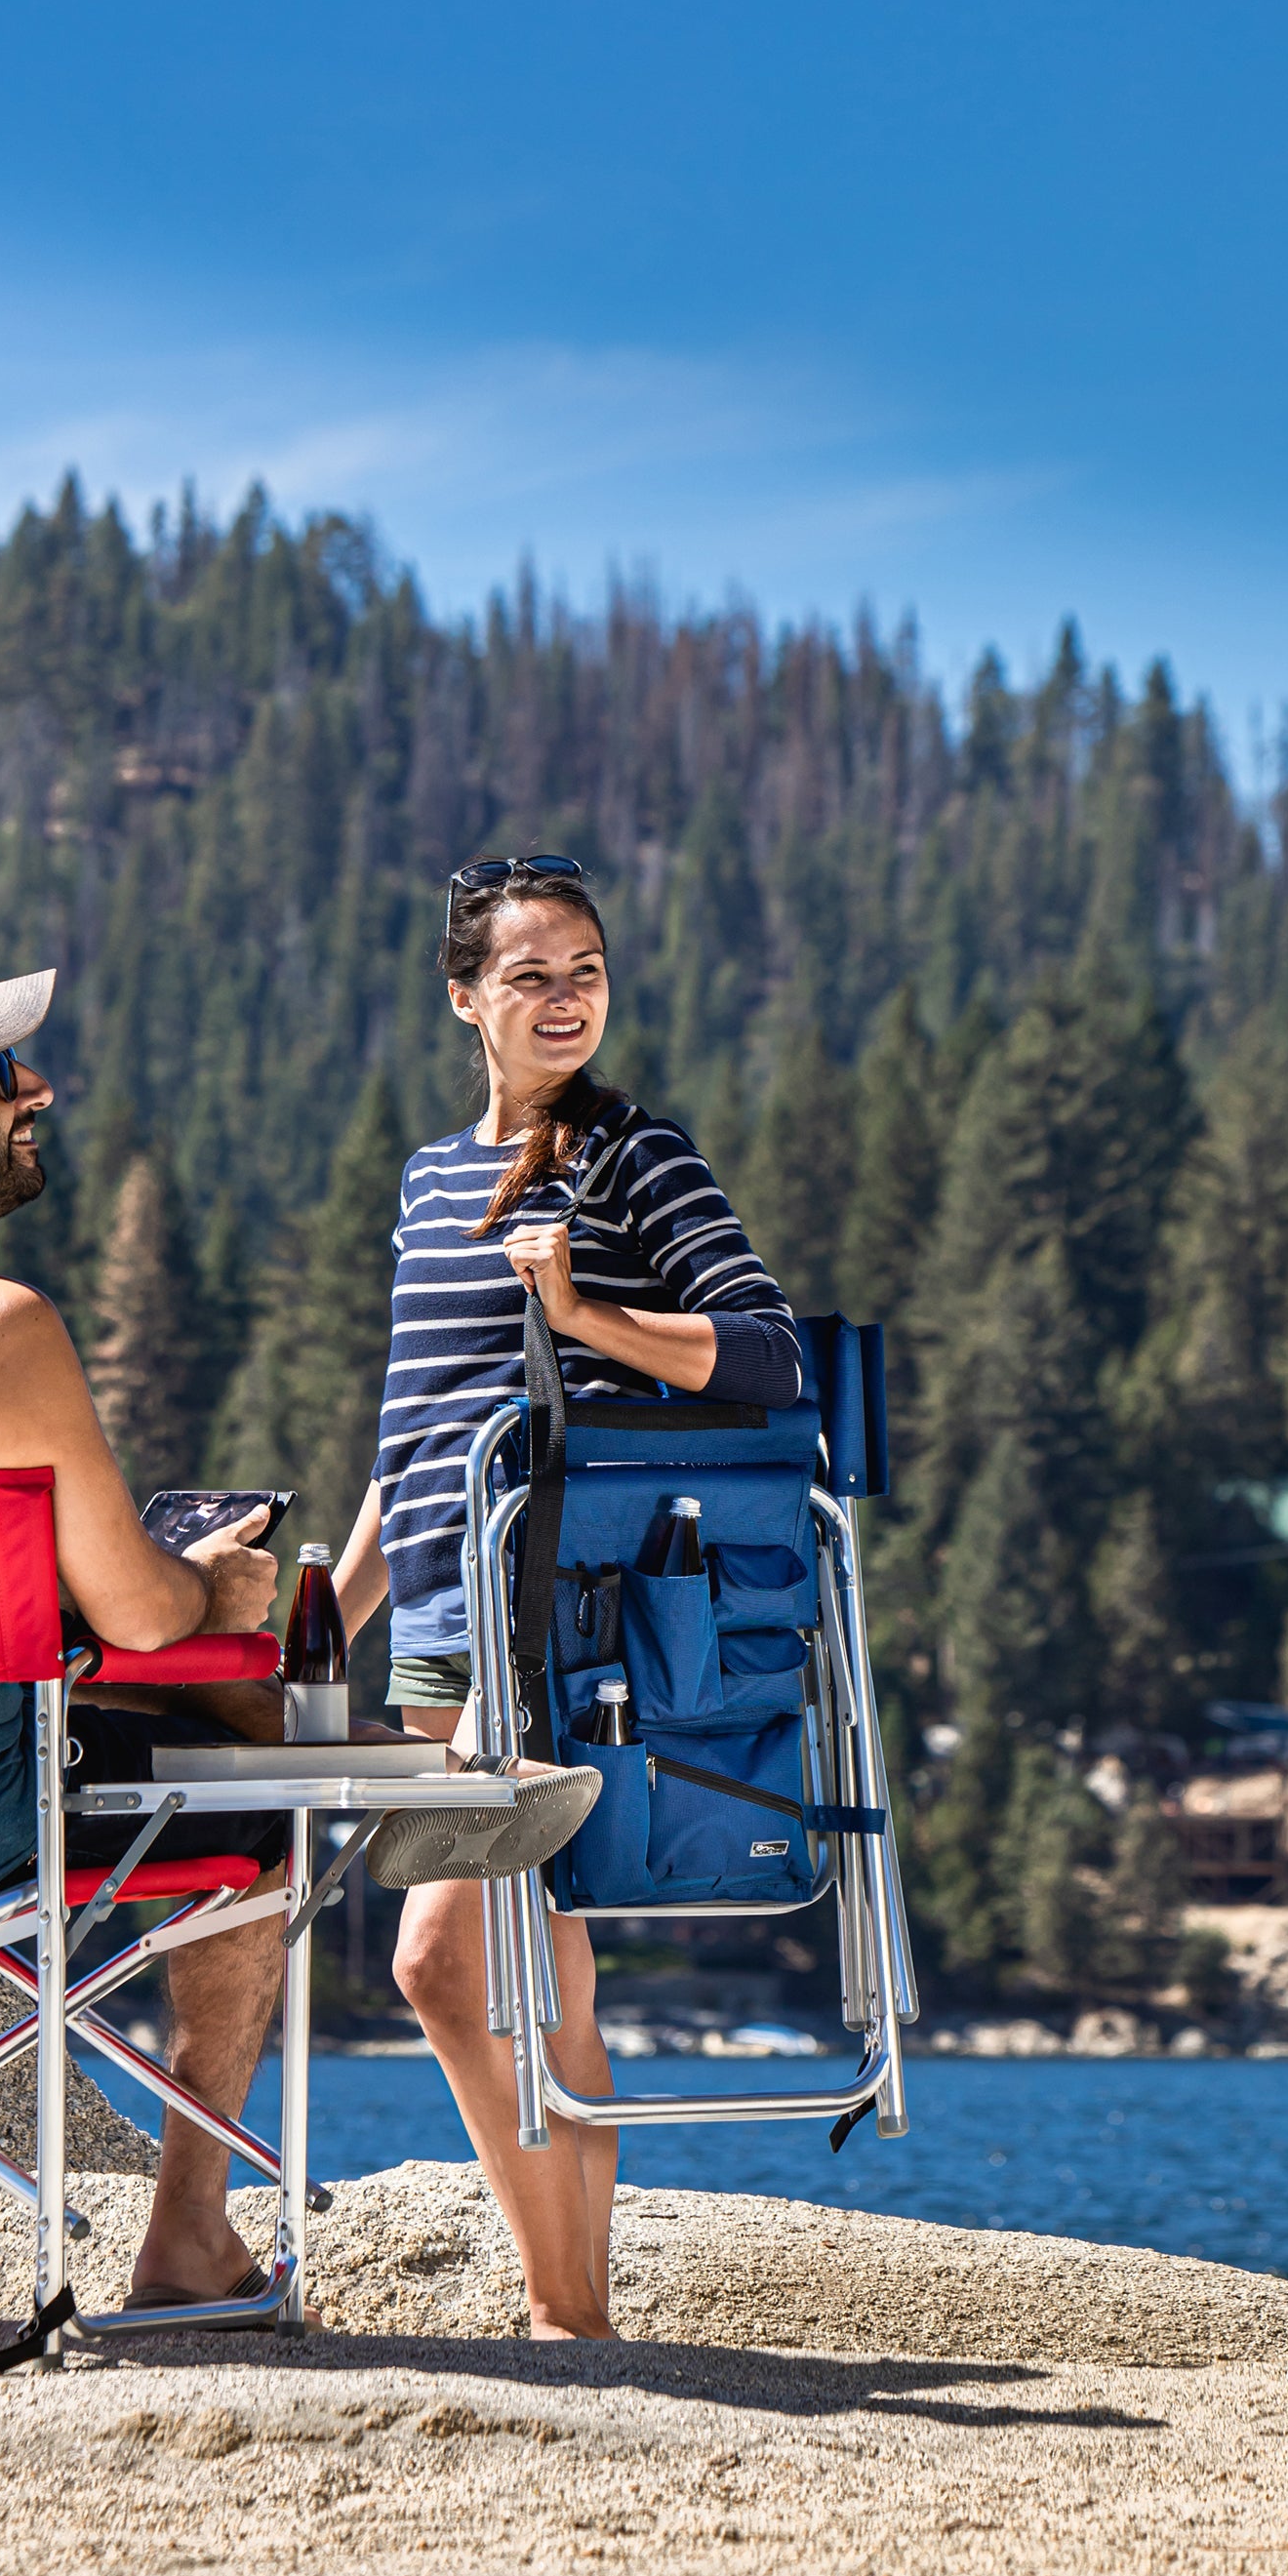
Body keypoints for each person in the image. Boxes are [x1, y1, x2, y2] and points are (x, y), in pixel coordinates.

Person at [0, 944, 589, 2314]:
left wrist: (101, 1622)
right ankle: (189, 2225)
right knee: (240, 1804)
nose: (36, 1087)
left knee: (165, 1702)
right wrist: (210, 1588)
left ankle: (421, 1771)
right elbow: (147, 1612)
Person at [331, 856, 802, 2339]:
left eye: (585, 971)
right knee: (537, 1972)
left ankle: (567, 2312)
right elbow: (411, 1432)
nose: (563, 1001)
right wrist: (328, 1609)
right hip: (427, 1616)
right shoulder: (425, 1181)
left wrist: (585, 1313)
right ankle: (576, 2308)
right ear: (465, 997)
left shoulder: (637, 1158)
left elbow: (769, 1356)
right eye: (530, 976)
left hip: (551, 1610)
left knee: (444, 1956)